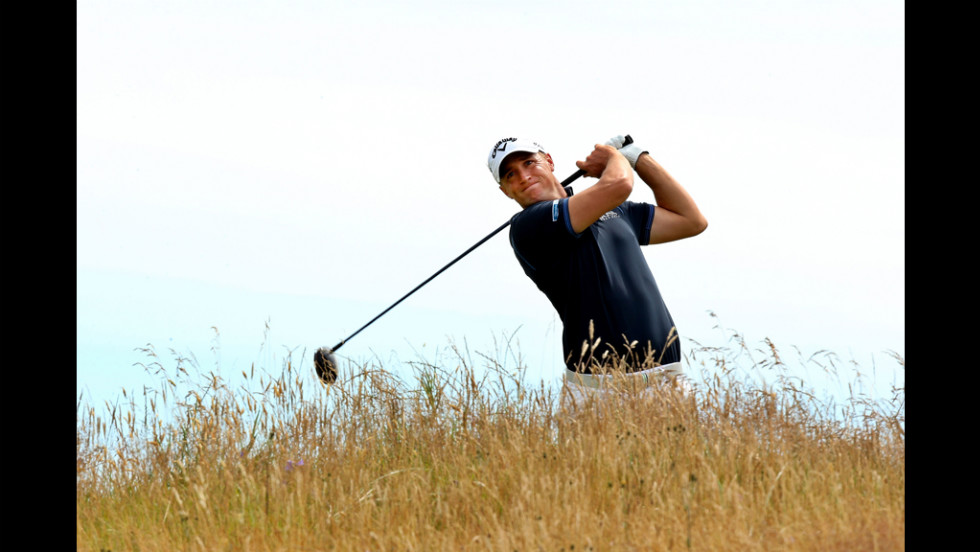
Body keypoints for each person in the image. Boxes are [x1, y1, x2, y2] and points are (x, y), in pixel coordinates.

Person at [486, 135, 708, 406]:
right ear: (505, 191)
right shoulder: (529, 225)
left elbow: (691, 221)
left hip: (666, 381)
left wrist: (638, 158)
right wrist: (613, 158)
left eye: (530, 162)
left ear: (550, 162)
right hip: (597, 392)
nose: (523, 176)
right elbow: (620, 184)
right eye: (510, 174)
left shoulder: (617, 212)